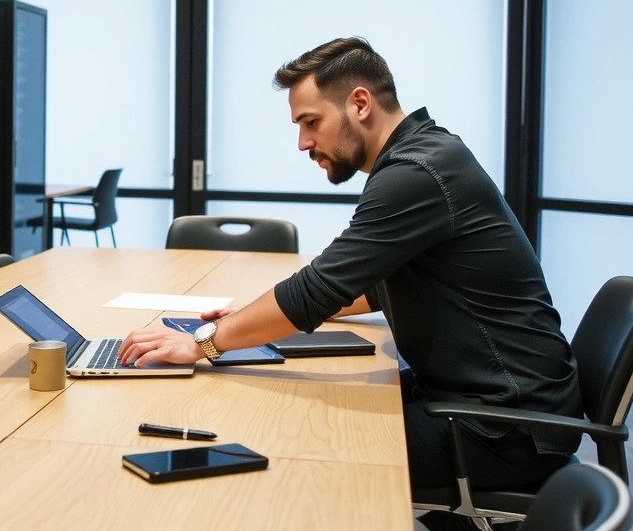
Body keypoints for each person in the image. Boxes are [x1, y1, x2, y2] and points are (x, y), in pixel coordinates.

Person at [121, 37, 582, 504]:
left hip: (506, 428)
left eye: (310, 122)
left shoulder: (416, 173)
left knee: (303, 453)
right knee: (291, 413)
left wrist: (205, 341)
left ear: (359, 103)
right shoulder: (427, 153)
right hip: (484, 401)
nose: (303, 143)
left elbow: (321, 286)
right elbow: (372, 286)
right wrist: (251, 320)